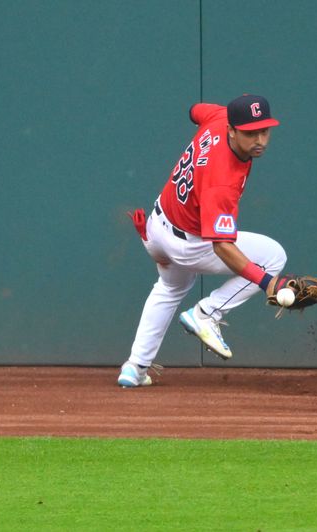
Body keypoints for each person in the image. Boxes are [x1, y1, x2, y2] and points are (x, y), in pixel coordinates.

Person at [118, 94, 287, 387]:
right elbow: (221, 246)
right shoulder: (222, 181)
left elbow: (194, 110)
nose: (259, 140)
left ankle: (135, 367)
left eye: (264, 130)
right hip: (188, 244)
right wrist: (266, 283)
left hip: (159, 225)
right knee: (273, 257)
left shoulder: (219, 117)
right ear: (233, 130)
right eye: (250, 133)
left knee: (170, 288)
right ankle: (207, 313)